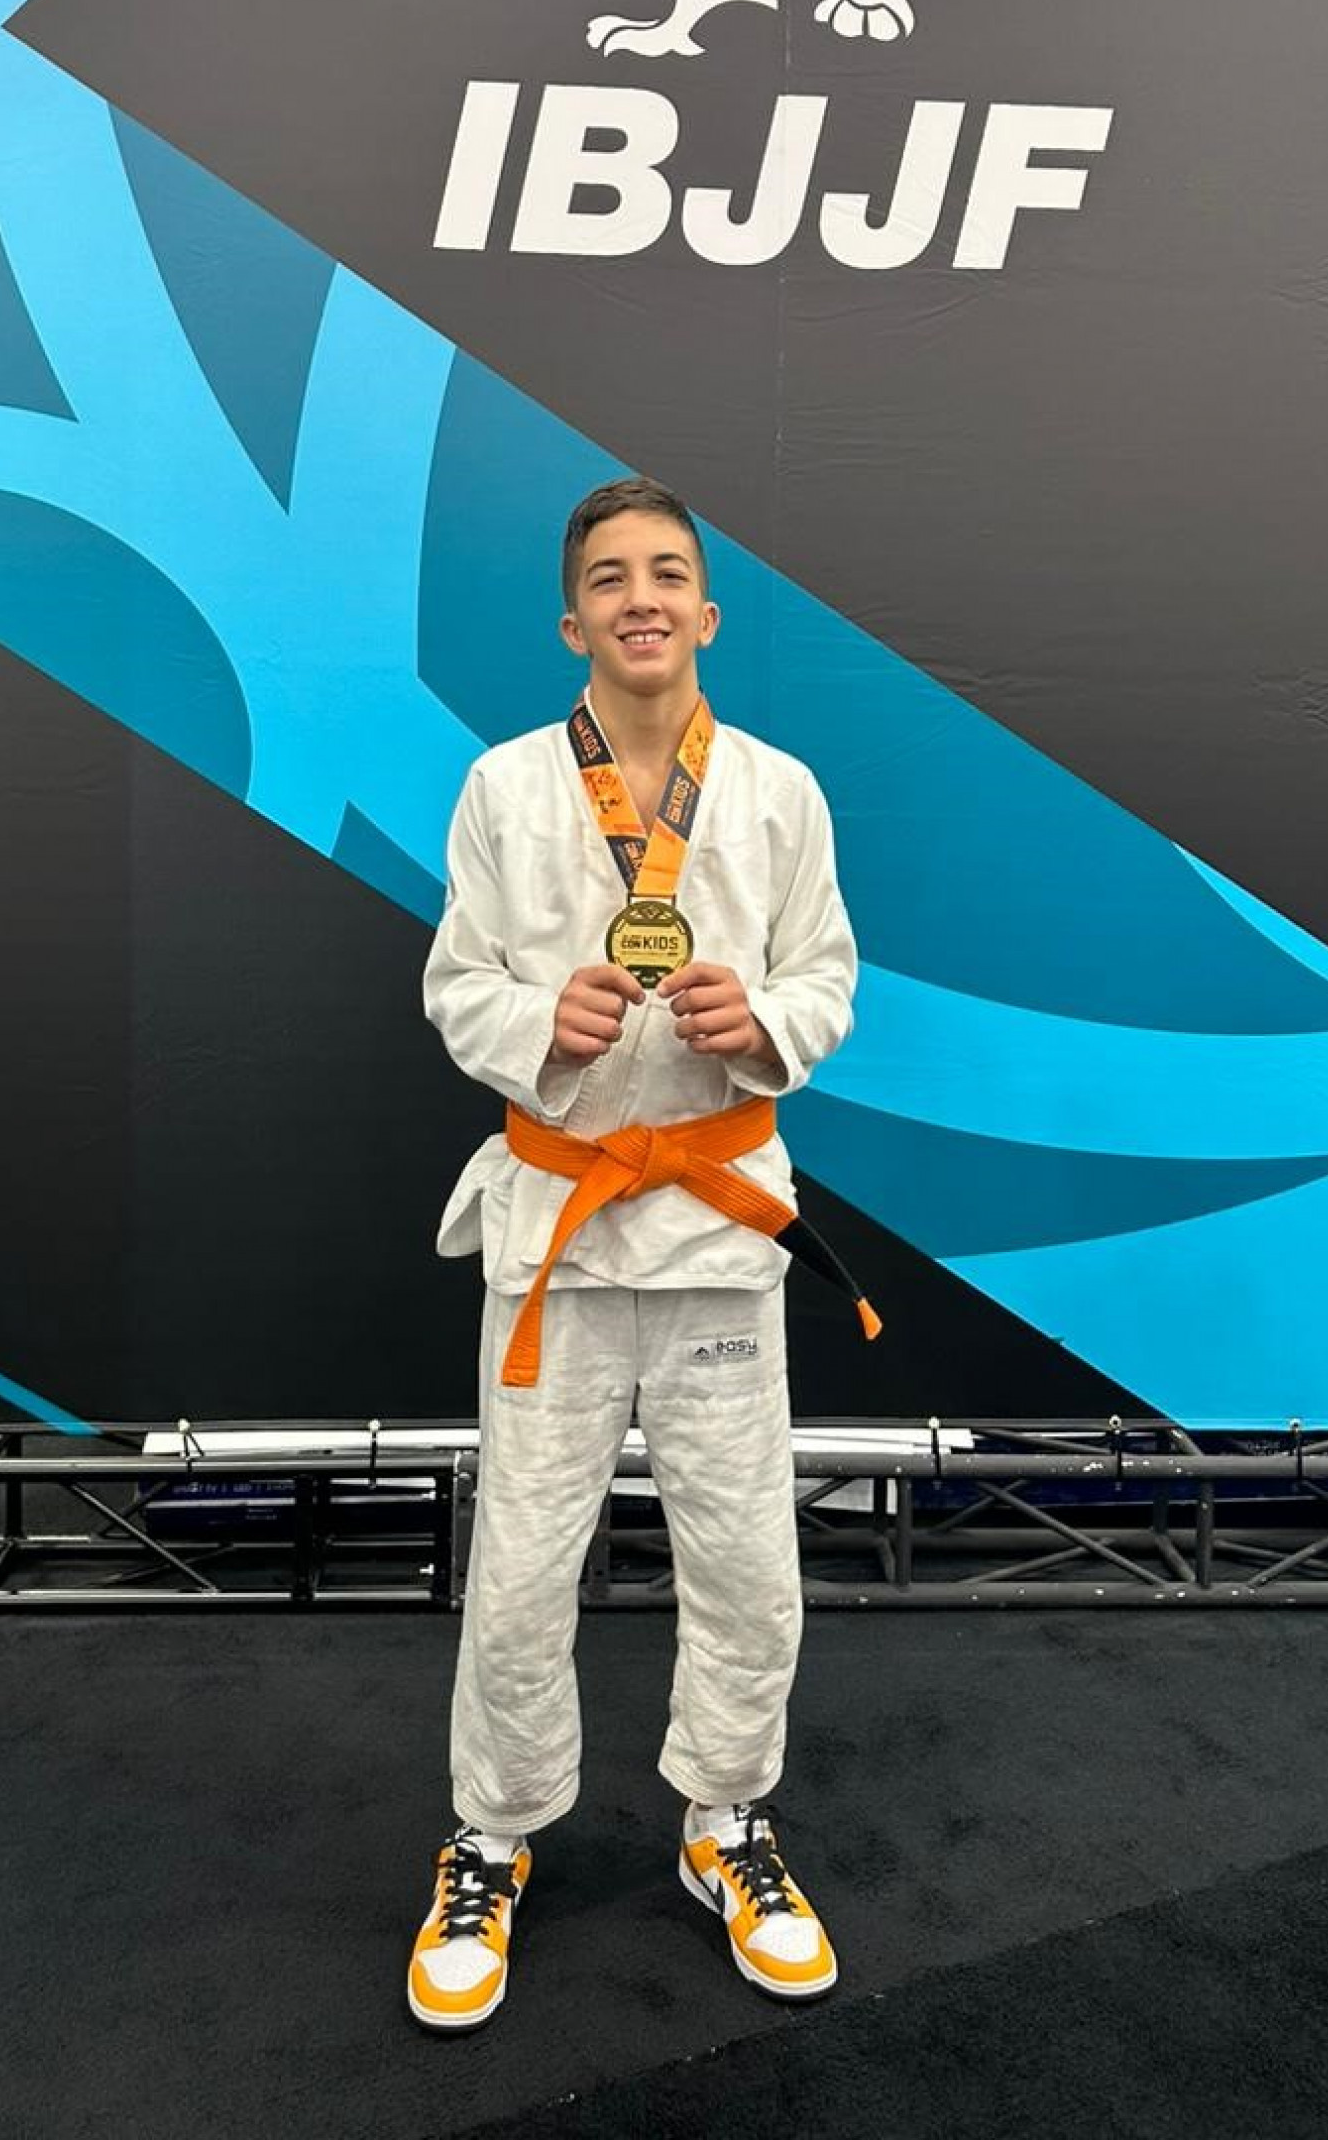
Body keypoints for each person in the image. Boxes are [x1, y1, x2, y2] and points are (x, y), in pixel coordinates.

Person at [407, 476, 859, 2032]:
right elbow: (455, 982)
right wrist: (543, 1019)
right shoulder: (504, 785)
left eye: (667, 572)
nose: (641, 596)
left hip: (717, 1227)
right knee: (524, 1557)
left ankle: (727, 1818)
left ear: (707, 612)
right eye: (610, 577)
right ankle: (491, 1835)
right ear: (573, 621)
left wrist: (766, 1021)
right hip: (563, 1225)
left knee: (745, 1555)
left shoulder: (781, 792)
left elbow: (830, 973)